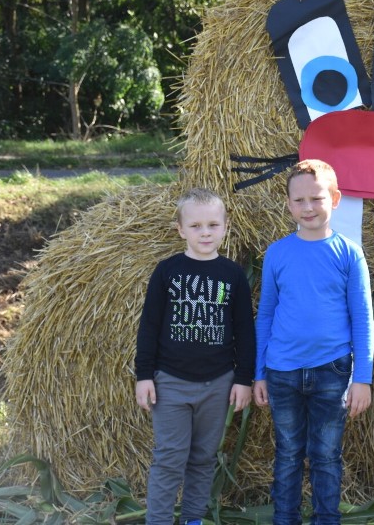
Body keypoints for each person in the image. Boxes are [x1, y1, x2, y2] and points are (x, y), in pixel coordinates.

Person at [253, 159, 374, 525]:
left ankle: (326, 519)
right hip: (282, 371)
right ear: (289, 205)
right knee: (288, 452)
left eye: (317, 199)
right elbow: (266, 315)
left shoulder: (349, 253)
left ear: (335, 199)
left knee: (325, 455)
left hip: (332, 370)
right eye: (300, 201)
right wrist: (259, 372)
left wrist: (363, 378)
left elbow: (362, 318)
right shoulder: (277, 253)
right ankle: (284, 519)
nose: (308, 208)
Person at [134, 188, 256, 525]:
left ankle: (193, 519)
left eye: (213, 225)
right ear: (181, 229)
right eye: (197, 225)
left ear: (226, 227)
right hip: (170, 382)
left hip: (218, 383)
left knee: (203, 457)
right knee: (170, 458)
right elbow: (149, 326)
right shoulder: (167, 271)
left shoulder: (232, 276)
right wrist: (144, 375)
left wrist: (243, 379)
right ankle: (157, 520)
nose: (205, 232)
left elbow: (245, 331)